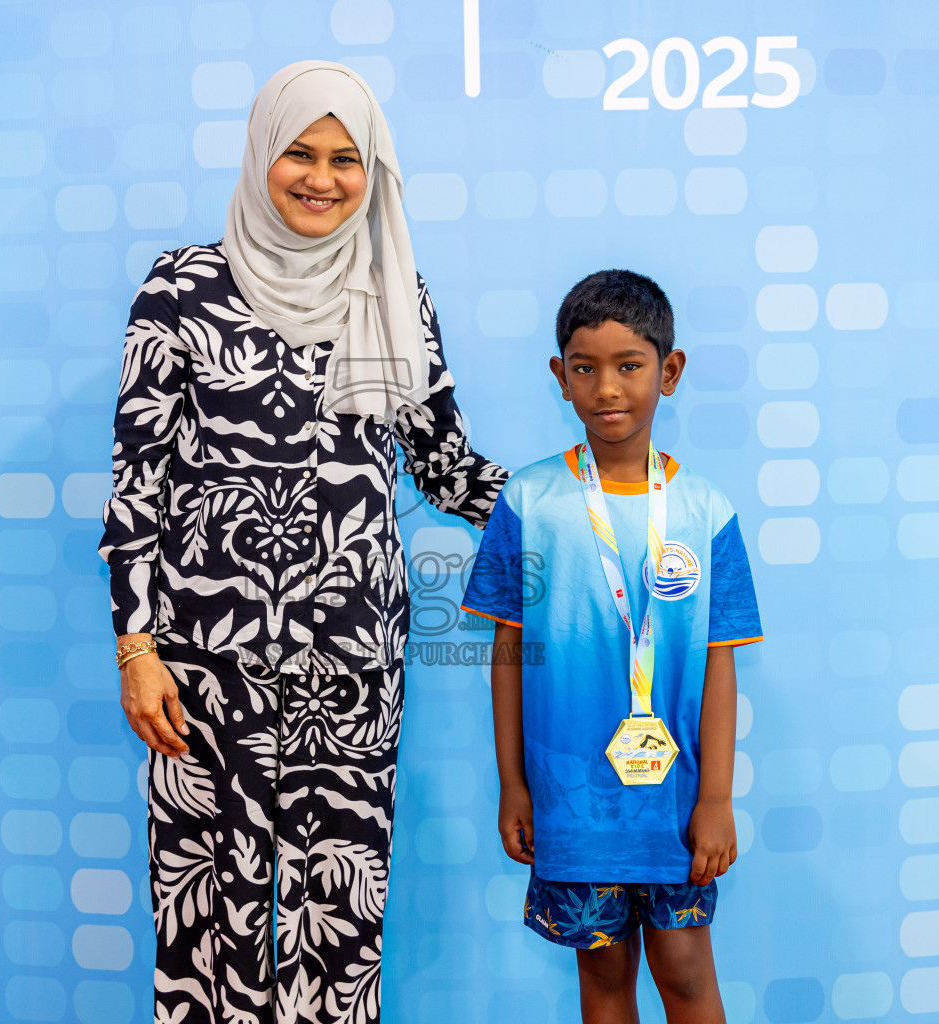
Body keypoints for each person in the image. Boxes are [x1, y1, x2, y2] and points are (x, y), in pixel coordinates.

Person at [100, 61, 507, 1023]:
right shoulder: (183, 288)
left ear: (374, 174)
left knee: (339, 925)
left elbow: (443, 467)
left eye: (346, 159)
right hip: (204, 666)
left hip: (355, 668)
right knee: (208, 924)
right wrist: (138, 650)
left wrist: (581, 498)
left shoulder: (393, 291)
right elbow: (138, 486)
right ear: (261, 153)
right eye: (300, 152)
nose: (322, 178)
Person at [460, 270, 763, 1023]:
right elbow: (508, 655)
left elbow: (720, 661)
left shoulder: (705, 508)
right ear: (560, 378)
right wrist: (514, 785)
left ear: (670, 371)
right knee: (603, 982)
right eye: (586, 369)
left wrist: (717, 799)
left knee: (689, 977)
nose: (608, 389)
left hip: (675, 803)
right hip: (572, 808)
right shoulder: (529, 502)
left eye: (630, 366)